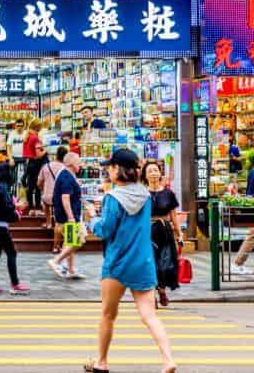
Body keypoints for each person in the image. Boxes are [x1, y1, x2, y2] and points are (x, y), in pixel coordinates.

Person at [83, 149, 175, 373]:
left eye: (110, 167)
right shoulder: (145, 195)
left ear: (118, 169)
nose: (108, 170)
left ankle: (101, 362)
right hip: (143, 262)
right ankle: (168, 360)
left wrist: (91, 217)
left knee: (108, 314)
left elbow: (105, 230)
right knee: (149, 315)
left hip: (117, 263)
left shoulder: (112, 198)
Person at [0, 162, 30, 295]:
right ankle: (15, 284)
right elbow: (7, 207)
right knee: (11, 253)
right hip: (0, 226)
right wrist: (17, 208)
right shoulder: (2, 187)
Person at [143, 161, 182, 308]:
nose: (153, 173)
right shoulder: (142, 194)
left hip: (164, 232)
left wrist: (180, 234)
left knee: (165, 263)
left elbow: (173, 215)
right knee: (149, 263)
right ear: (145, 176)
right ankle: (151, 295)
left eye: (155, 170)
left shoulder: (168, 193)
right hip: (147, 232)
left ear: (160, 173)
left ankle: (162, 290)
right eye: (150, 171)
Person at [49, 152, 86, 280]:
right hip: (69, 217)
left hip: (69, 216)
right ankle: (56, 261)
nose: (80, 165)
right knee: (79, 240)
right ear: (71, 163)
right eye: (78, 162)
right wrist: (70, 217)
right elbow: (65, 198)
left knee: (70, 242)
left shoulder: (67, 175)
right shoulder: (66, 177)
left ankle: (70, 269)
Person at [39, 146, 67, 232]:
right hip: (60, 197)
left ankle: (48, 223)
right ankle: (58, 225)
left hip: (47, 196)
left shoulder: (46, 166)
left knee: (46, 203)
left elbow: (39, 182)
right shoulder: (65, 168)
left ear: (56, 155)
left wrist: (42, 190)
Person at [23, 119, 46, 214]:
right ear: (38, 128)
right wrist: (46, 150)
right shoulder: (35, 138)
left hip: (28, 163)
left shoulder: (27, 137)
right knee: (37, 186)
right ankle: (37, 207)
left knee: (30, 186)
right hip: (36, 164)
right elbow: (38, 155)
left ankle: (30, 206)